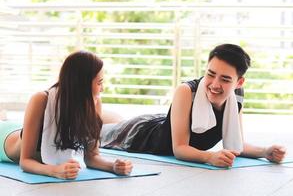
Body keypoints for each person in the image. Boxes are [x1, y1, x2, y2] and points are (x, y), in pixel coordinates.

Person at [100, 43, 286, 168]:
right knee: (96, 130)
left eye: (225, 79)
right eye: (211, 74)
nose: (214, 84)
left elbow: (237, 143)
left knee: (116, 121)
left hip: (155, 123)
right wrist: (209, 157)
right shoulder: (186, 91)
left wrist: (265, 151)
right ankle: (83, 105)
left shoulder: (236, 97)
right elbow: (180, 148)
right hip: (141, 137)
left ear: (239, 82)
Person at [0, 50, 132, 179]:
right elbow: (25, 162)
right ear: (82, 84)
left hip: (16, 127)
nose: (102, 88)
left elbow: (92, 157)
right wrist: (54, 171)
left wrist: (114, 166)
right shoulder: (41, 99)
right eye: (99, 82)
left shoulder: (95, 102)